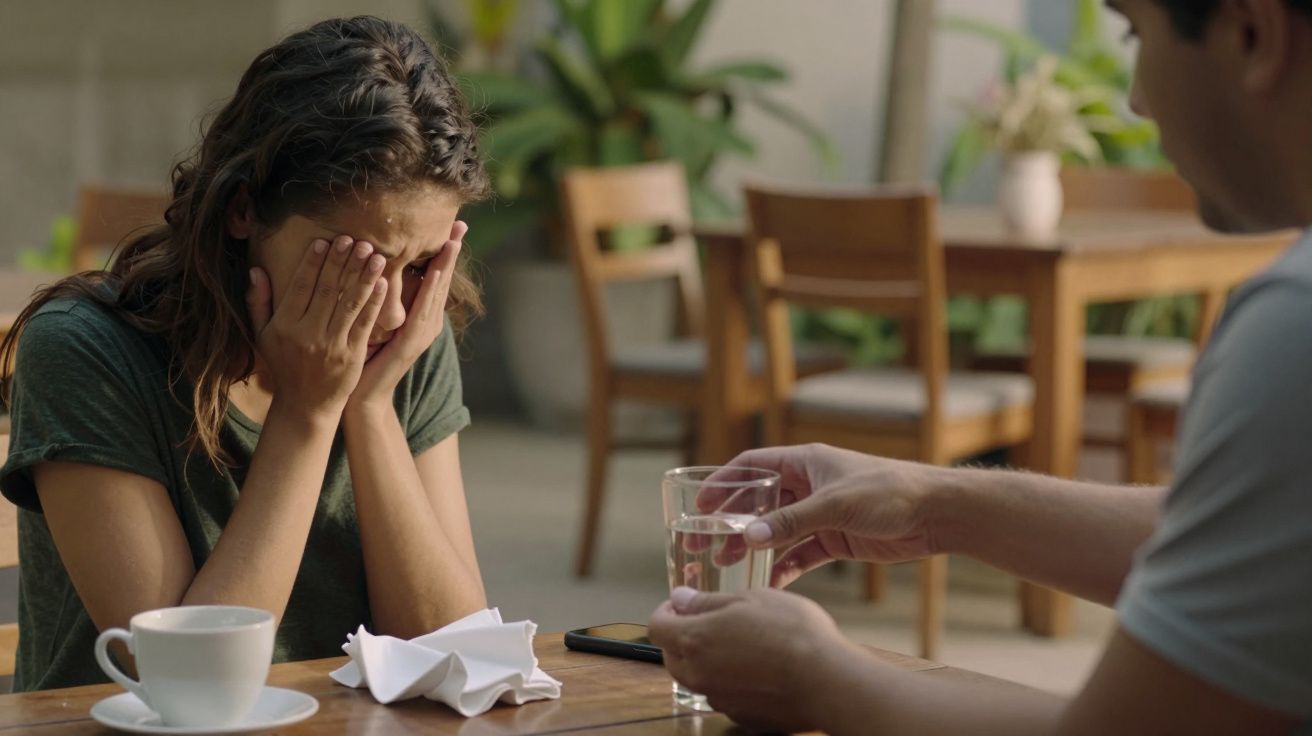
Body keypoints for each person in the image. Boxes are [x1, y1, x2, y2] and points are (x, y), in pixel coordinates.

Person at [649, 0, 1312, 733]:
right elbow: (1252, 545)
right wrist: (931, 502)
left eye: (1136, 32)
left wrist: (815, 675)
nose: (1136, 97)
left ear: (1254, 35)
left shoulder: (1293, 323)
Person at [0, 16, 489, 691]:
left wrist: (370, 406)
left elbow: (453, 656)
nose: (394, 310)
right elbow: (183, 681)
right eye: (359, 264)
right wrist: (307, 413)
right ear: (242, 212)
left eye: (421, 265)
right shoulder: (87, 352)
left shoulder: (403, 343)